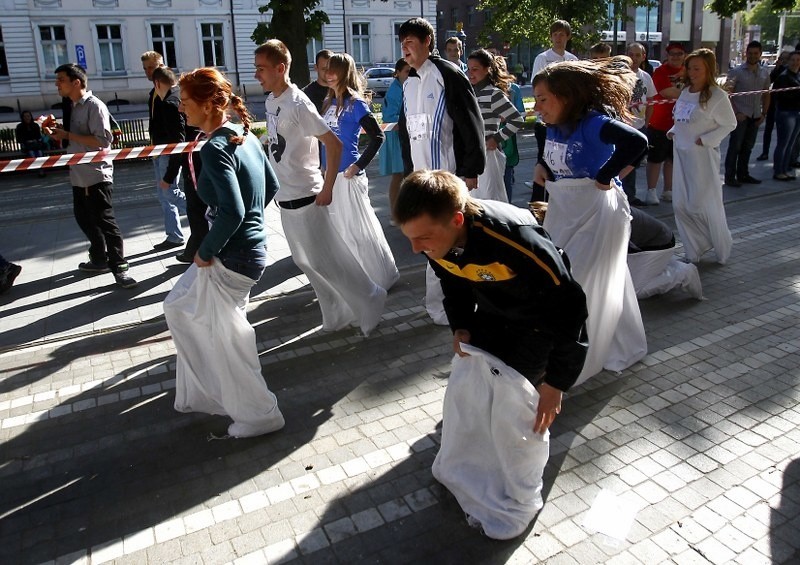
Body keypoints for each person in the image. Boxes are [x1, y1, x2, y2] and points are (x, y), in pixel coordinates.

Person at [395, 169, 588, 431]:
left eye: (422, 238)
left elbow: (570, 307)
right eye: (410, 238)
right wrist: (461, 325)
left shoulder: (515, 239)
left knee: (514, 407)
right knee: (478, 392)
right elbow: (452, 281)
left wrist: (557, 383)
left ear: (456, 220)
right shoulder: (434, 239)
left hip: (539, 324)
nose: (416, 249)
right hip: (493, 314)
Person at [163, 67, 284, 439]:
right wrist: (250, 230)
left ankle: (255, 412)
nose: (181, 110)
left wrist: (206, 250)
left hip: (231, 256)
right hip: (250, 252)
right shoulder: (244, 135)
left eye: (185, 103)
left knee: (223, 338)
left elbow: (232, 211)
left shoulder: (216, 147)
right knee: (184, 310)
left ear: (207, 104)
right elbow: (271, 186)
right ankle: (220, 395)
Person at [255, 40, 387, 335]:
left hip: (307, 195)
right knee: (306, 261)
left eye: (261, 69)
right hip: (285, 196)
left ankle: (371, 297)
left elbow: (334, 143)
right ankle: (336, 313)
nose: (257, 75)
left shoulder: (298, 103)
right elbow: (278, 144)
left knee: (329, 260)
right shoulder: (271, 101)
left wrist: (327, 188)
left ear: (280, 68)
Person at [532, 57, 648, 384]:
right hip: (563, 214)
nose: (537, 106)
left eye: (543, 99)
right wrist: (542, 172)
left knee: (576, 284)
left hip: (598, 213)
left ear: (566, 96)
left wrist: (605, 175)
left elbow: (638, 143)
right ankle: (620, 338)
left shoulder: (594, 123)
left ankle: (568, 360)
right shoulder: (549, 125)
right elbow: (548, 160)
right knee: (593, 282)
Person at [396, 17, 486, 325]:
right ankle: (441, 306)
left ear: (427, 43)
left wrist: (472, 168)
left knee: (448, 244)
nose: (405, 50)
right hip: (422, 179)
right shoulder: (408, 82)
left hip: (448, 176)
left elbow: (470, 120)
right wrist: (409, 173)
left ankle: (456, 306)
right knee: (432, 246)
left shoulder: (447, 74)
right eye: (402, 44)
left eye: (410, 43)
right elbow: (405, 132)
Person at [48, 63, 137, 289]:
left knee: (106, 223)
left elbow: (102, 141)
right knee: (84, 219)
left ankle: (121, 269)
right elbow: (76, 139)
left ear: (76, 82)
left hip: (96, 175)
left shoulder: (94, 106)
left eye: (61, 79)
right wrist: (57, 132)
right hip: (78, 175)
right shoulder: (72, 106)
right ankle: (99, 259)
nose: (56, 84)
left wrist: (67, 133)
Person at [320, 52, 399, 290]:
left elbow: (377, 136)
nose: (328, 74)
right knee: (340, 232)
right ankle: (354, 279)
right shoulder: (328, 102)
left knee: (359, 230)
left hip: (348, 177)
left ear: (344, 73)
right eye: (327, 70)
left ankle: (377, 277)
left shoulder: (356, 103)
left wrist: (356, 167)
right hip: (330, 176)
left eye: (334, 70)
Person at [668, 48, 736, 264]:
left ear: (708, 70)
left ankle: (720, 245)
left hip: (702, 157)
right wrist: (673, 130)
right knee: (681, 204)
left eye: (697, 68)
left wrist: (707, 139)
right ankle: (694, 249)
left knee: (701, 204)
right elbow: (682, 117)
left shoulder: (717, 96)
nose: (692, 72)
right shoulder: (686, 91)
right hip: (681, 153)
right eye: (690, 68)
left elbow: (730, 124)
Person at [142, 50, 187, 251]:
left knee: (169, 191)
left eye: (152, 67)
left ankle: (205, 213)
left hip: (167, 151)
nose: (149, 72)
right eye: (145, 68)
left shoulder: (170, 98)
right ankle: (174, 235)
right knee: (164, 194)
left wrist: (169, 172)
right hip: (157, 149)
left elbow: (178, 138)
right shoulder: (155, 92)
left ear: (162, 65)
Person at [466, 49, 524, 202]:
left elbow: (517, 119)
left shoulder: (493, 94)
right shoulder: (469, 93)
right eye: (468, 68)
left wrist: (496, 138)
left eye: (475, 69)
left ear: (487, 70)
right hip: (471, 154)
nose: (470, 73)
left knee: (490, 200)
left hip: (488, 155)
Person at [724, 41, 770, 186]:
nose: (752, 56)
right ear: (746, 53)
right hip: (740, 116)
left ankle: (743, 174)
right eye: (750, 53)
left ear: (760, 54)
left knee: (748, 147)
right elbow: (727, 94)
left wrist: (764, 114)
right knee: (735, 147)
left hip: (755, 115)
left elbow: (767, 94)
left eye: (756, 53)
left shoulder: (764, 72)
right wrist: (736, 112)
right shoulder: (736, 72)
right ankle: (730, 177)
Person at [646, 42, 687, 205]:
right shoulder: (660, 72)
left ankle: (668, 190)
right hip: (659, 123)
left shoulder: (687, 71)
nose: (676, 57)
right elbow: (666, 92)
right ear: (667, 55)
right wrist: (689, 93)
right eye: (673, 54)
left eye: (679, 53)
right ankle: (651, 191)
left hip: (681, 124)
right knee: (656, 160)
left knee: (672, 160)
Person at [623, 43, 656, 206]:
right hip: (622, 125)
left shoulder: (646, 77)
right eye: (631, 54)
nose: (634, 58)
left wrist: (647, 123)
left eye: (638, 55)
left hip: (639, 125)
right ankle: (621, 194)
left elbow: (651, 101)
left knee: (633, 163)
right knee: (622, 161)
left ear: (643, 57)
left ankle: (631, 195)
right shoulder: (620, 75)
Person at [378, 58, 411, 219]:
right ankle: (395, 214)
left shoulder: (404, 86)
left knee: (404, 175)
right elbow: (390, 116)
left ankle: (400, 213)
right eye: (406, 71)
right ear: (397, 73)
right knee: (399, 176)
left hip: (402, 135)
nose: (409, 74)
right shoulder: (396, 90)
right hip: (396, 136)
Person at [495, 55, 527, 201]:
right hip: (491, 140)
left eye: (502, 68)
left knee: (507, 175)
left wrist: (507, 116)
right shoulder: (486, 89)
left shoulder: (513, 89)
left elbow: (521, 114)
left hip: (507, 139)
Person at [771, 51, 800, 181]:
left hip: (796, 112)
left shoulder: (798, 75)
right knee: (783, 142)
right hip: (786, 113)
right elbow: (780, 96)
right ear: (788, 61)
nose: (795, 63)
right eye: (793, 60)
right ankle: (778, 170)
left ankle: (785, 168)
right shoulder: (784, 77)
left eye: (798, 60)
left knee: (791, 143)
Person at [757, 50, 790, 161]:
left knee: (783, 132)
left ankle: (784, 155)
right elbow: (770, 81)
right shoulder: (777, 70)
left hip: (784, 105)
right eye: (782, 59)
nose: (783, 61)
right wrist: (777, 67)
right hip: (773, 102)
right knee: (768, 129)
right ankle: (765, 152)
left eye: (786, 59)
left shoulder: (790, 72)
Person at [303, 49, 334, 114]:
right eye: (324, 69)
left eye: (331, 68)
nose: (328, 72)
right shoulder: (306, 94)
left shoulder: (340, 91)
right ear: (316, 68)